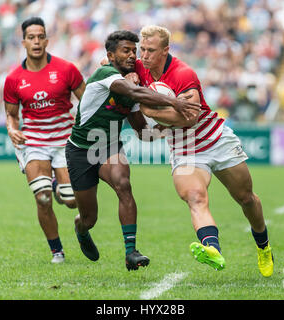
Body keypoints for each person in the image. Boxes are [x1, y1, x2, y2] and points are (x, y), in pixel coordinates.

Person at [135, 25, 273, 277]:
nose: (144, 55)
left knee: (246, 198)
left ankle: (263, 246)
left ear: (166, 50)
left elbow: (189, 116)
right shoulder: (139, 68)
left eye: (151, 50)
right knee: (195, 197)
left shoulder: (183, 73)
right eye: (141, 49)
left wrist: (150, 111)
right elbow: (109, 61)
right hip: (184, 148)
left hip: (215, 140)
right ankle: (212, 249)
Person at [65, 30, 201, 271]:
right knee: (89, 217)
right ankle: (81, 228)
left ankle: (131, 252)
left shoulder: (132, 81)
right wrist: (176, 102)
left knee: (123, 184)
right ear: (110, 55)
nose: (131, 55)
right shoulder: (107, 74)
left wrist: (166, 129)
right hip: (81, 150)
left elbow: (140, 130)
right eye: (125, 51)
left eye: (133, 51)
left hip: (108, 146)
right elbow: (135, 92)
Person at [3, 17, 86, 264]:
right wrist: (11, 129)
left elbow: (88, 100)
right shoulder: (14, 78)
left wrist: (85, 129)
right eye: (31, 37)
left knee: (71, 201)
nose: (36, 41)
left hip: (64, 140)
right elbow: (11, 114)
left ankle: (56, 186)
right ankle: (56, 250)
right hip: (34, 141)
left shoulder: (66, 69)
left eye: (40, 36)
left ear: (47, 40)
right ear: (24, 42)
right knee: (41, 196)